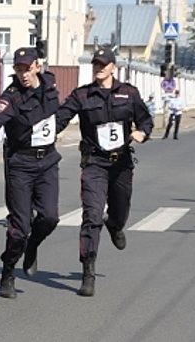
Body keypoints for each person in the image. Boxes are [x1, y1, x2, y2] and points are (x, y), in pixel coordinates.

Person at [56, 48, 154, 297]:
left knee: (120, 210)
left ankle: (115, 224)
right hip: (94, 163)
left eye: (103, 64)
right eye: (95, 64)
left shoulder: (129, 93)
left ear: (113, 67)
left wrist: (141, 133)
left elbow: (146, 120)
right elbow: (60, 118)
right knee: (92, 215)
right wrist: (46, 133)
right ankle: (88, 270)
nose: (98, 67)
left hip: (121, 163)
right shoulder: (82, 95)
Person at [0, 47, 61, 299]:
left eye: (26, 68)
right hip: (21, 163)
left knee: (50, 218)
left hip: (48, 161)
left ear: (37, 66)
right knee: (19, 227)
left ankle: (32, 246)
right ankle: (8, 270)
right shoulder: (11, 95)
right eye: (18, 69)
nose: (23, 74)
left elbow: (59, 112)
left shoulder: (50, 84)